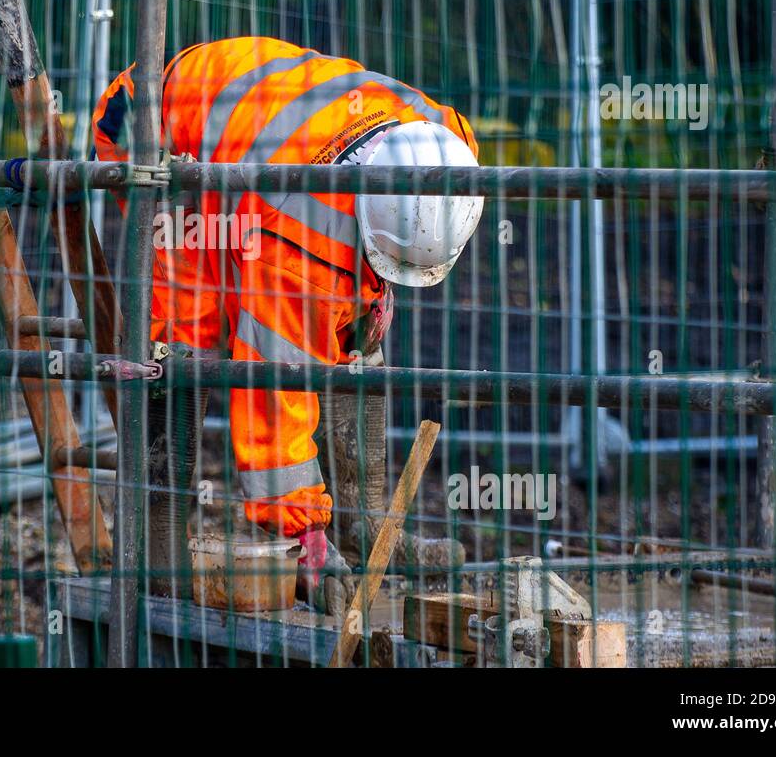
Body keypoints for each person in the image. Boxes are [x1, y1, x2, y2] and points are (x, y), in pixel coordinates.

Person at [91, 36, 482, 610]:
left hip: (258, 126)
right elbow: (273, 388)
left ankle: (367, 528)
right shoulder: (297, 238)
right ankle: (161, 551)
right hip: (156, 128)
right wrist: (304, 535)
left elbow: (387, 248)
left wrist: (375, 291)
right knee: (185, 340)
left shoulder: (445, 142)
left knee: (353, 319)